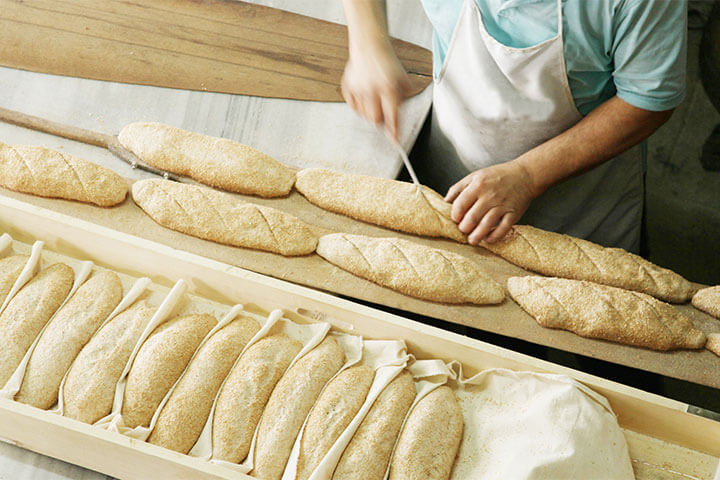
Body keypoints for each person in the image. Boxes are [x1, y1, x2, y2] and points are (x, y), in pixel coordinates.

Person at [341, 0, 687, 252]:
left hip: (580, 205)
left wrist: (528, 176)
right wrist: (368, 44)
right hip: (456, 155)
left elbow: (646, 103)